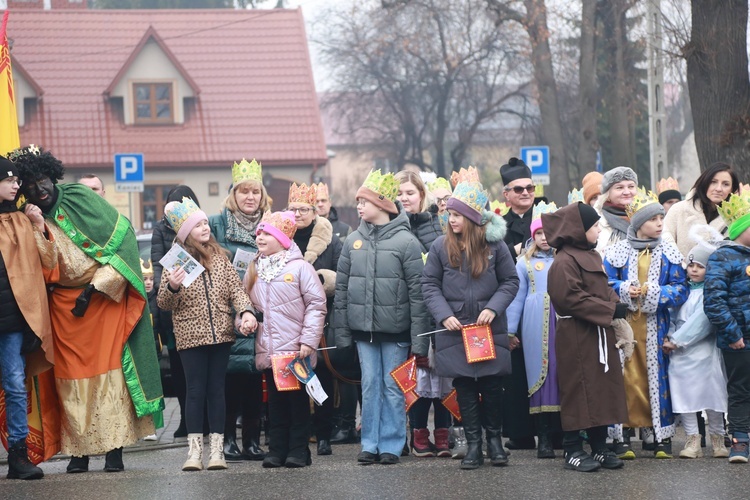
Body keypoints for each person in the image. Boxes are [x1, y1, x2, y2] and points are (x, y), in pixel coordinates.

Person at [13, 145, 164, 473]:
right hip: (64, 311)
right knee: (71, 381)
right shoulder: (32, 217)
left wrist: (97, 287)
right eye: (30, 187)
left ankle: (114, 451)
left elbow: (122, 237)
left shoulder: (80, 196)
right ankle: (80, 452)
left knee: (110, 379)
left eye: (43, 181)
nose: (39, 190)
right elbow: (47, 266)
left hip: (103, 303)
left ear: (52, 177)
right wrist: (38, 228)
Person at [334, 169, 431, 466]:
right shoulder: (352, 241)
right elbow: (341, 290)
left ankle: (391, 443)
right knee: (370, 385)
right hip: (364, 332)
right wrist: (343, 335)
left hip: (396, 333)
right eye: (358, 202)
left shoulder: (407, 242)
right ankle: (370, 443)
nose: (359, 207)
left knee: (392, 387)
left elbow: (418, 296)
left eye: (365, 201)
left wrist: (419, 343)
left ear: (383, 205)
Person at [422, 181, 519, 470]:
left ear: (473, 218)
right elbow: (428, 284)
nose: (451, 219)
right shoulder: (440, 246)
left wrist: (493, 307)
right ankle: (474, 445)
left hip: (488, 328)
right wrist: (443, 314)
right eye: (450, 214)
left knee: (491, 385)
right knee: (463, 386)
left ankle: (494, 442)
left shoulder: (495, 246)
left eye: (457, 215)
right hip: (456, 329)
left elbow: (510, 281)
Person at [157, 197, 256, 471]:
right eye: (197, 225)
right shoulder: (177, 259)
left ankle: (217, 453)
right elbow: (164, 303)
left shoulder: (220, 257)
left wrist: (246, 311)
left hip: (221, 335)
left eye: (205, 223)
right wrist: (173, 287)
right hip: (190, 336)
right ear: (186, 232)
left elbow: (236, 289)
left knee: (217, 392)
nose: (205, 228)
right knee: (194, 392)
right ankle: (193, 452)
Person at [543, 202, 629, 472]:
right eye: (594, 226)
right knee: (578, 388)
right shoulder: (564, 261)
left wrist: (615, 304)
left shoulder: (591, 255)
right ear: (578, 230)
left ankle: (599, 446)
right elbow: (570, 299)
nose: (599, 229)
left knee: (602, 387)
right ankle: (572, 449)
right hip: (576, 335)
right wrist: (610, 309)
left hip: (598, 331)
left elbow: (602, 288)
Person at [604, 189, 688, 459]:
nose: (660, 224)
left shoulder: (668, 250)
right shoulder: (617, 250)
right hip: (625, 326)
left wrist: (654, 293)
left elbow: (681, 287)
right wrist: (626, 289)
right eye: (654, 220)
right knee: (625, 377)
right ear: (639, 223)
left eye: (662, 219)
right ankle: (623, 435)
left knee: (656, 378)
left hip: (656, 326)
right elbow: (605, 284)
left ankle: (659, 436)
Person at [243, 211, 327, 468]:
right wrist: (244, 318)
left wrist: (308, 340)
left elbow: (316, 304)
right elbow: (245, 302)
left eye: (267, 233)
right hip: (268, 350)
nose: (260, 237)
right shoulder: (254, 268)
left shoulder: (301, 268)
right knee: (275, 403)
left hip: (295, 350)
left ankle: (299, 449)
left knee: (297, 401)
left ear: (282, 239)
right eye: (259, 232)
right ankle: (277, 449)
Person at [208, 159, 270, 462]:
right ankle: (228, 439)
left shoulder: (272, 223)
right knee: (230, 379)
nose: (250, 198)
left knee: (254, 380)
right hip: (227, 312)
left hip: (261, 312)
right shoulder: (218, 224)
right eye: (244, 192)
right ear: (234, 194)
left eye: (255, 192)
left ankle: (252, 441)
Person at [0, 156, 54, 480]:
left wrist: (39, 226)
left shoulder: (21, 220)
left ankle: (18, 456)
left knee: (15, 386)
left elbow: (48, 260)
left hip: (12, 323)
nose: (16, 184)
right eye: (9, 180)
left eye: (17, 180)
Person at [395, 169, 451, 458]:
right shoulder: (392, 227)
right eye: (399, 193)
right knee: (414, 379)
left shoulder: (437, 227)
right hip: (407, 314)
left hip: (438, 312)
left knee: (443, 377)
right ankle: (418, 434)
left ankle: (443, 434)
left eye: (410, 193)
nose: (404, 198)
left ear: (421, 195)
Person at [286, 182, 341, 456]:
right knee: (293, 376)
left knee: (322, 376)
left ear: (314, 211)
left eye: (303, 209)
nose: (298, 214)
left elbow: (343, 275)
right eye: (293, 209)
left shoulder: (331, 239)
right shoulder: (282, 237)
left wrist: (325, 280)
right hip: (290, 319)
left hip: (322, 318)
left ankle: (323, 434)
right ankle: (300, 431)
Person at [662, 238, 728, 459]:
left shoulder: (711, 292)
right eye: (691, 265)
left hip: (705, 351)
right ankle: (692, 440)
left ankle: (718, 439)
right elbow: (671, 315)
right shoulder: (683, 291)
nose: (694, 270)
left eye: (700, 266)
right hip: (680, 353)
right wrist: (669, 337)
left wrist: (678, 340)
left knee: (713, 395)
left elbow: (702, 321)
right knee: (684, 395)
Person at [506, 201, 562, 459]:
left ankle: (563, 433)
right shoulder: (524, 264)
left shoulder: (565, 259)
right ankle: (544, 437)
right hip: (534, 325)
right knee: (539, 374)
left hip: (561, 323)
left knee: (562, 373)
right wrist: (509, 330)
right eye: (539, 233)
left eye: (548, 232)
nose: (544, 238)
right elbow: (516, 298)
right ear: (532, 235)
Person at [151, 184, 201, 442]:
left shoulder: (201, 228)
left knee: (200, 370)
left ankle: (201, 418)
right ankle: (184, 417)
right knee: (180, 371)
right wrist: (167, 290)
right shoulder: (160, 230)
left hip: (200, 310)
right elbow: (158, 264)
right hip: (173, 310)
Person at [704, 190, 750, 463]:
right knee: (740, 389)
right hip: (740, 339)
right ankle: (740, 442)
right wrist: (733, 334)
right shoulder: (723, 258)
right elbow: (714, 301)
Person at [498, 157, 537, 450]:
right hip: (511, 303)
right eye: (519, 189)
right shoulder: (498, 228)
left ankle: (552, 430)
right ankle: (519, 431)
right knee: (514, 369)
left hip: (541, 304)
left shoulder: (547, 219)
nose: (526, 193)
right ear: (506, 194)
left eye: (530, 188)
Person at [663, 162, 740, 258]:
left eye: (726, 184)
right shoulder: (679, 210)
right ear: (704, 182)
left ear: (732, 189)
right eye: (713, 182)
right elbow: (665, 241)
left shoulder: (736, 218)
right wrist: (680, 265)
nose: (719, 188)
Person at [594, 166, 638, 254]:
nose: (626, 192)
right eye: (619, 188)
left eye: (631, 186)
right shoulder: (596, 220)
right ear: (607, 193)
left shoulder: (648, 216)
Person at [142, 258, 159, 442]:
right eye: (144, 278)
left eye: (151, 279)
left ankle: (153, 427)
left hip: (155, 349)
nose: (148, 282)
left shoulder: (157, 298)